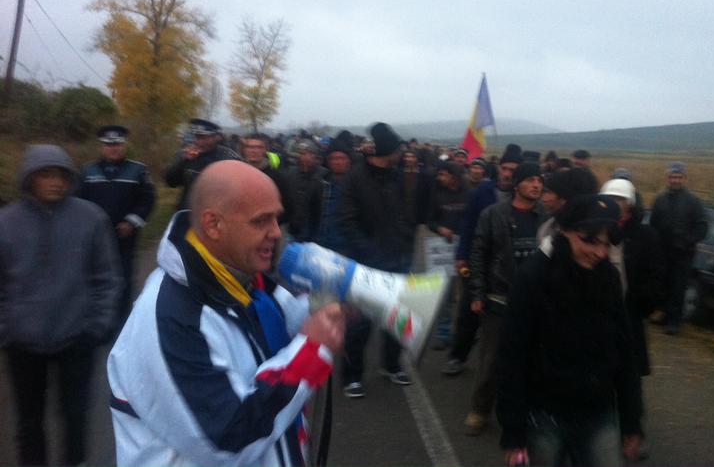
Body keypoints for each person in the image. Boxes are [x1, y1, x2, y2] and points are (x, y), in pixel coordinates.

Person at [107, 161, 345, 467]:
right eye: (261, 221)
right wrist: (310, 350)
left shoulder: (239, 277)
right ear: (213, 225)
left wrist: (327, 310)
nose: (276, 232)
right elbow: (230, 440)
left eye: (277, 218)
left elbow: (280, 320)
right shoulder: (169, 317)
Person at [496, 194, 642, 466]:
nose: (599, 253)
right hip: (544, 414)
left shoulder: (608, 278)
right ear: (564, 231)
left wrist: (631, 421)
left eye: (606, 244)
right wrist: (513, 432)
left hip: (599, 412)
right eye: (589, 240)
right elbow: (511, 355)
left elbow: (624, 350)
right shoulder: (533, 277)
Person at [1, 144, 122, 466]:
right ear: (30, 178)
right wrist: (6, 330)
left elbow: (108, 277)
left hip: (76, 337)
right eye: (45, 174)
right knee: (29, 422)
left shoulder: (91, 218)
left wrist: (97, 326)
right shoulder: (7, 223)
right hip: (22, 341)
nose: (54, 181)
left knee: (75, 416)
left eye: (60, 175)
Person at [464, 162, 545, 436]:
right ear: (518, 183)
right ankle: (480, 410)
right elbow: (478, 254)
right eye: (531, 179)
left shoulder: (547, 217)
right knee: (491, 361)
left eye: (540, 180)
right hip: (499, 298)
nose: (537, 184)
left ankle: (524, 412)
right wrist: (477, 293)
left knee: (532, 361)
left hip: (535, 301)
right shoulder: (493, 214)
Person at [338, 122, 415, 397]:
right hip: (365, 263)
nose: (402, 153)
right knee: (359, 323)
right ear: (387, 151)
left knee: (396, 319)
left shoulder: (397, 177)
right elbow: (347, 222)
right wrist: (370, 252)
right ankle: (352, 376)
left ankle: (391, 366)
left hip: (397, 260)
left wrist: (404, 240)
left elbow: (405, 213)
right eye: (398, 149)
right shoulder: (354, 179)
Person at [443, 143, 522, 376]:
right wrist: (462, 256)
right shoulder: (483, 192)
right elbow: (468, 225)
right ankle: (457, 356)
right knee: (470, 312)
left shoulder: (524, 195)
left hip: (509, 266)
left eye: (513, 169)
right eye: (505, 168)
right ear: (498, 167)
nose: (508, 173)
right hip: (479, 262)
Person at [601, 177, 666, 460]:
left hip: (629, 318)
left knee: (629, 380)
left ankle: (633, 432)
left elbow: (657, 276)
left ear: (630, 203)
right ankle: (598, 431)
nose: (615, 205)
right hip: (596, 317)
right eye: (610, 199)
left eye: (620, 200)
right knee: (597, 376)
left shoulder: (646, 236)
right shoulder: (595, 230)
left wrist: (643, 305)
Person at [79, 125, 156, 325]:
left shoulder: (138, 170)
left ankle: (122, 322)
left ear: (124, 145)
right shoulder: (88, 171)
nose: (114, 148)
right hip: (94, 238)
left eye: (118, 144)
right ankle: (96, 319)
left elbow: (148, 200)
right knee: (94, 277)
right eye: (109, 145)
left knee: (122, 278)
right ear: (102, 146)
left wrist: (132, 221)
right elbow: (78, 202)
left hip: (124, 236)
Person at [649, 161, 709, 334]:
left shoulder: (693, 201)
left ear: (684, 178)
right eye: (672, 177)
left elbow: (702, 227)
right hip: (663, 250)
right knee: (664, 284)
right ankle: (665, 315)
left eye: (678, 177)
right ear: (667, 178)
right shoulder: (660, 199)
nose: (675, 180)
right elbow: (654, 223)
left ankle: (675, 322)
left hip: (683, 252)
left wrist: (688, 241)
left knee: (678, 286)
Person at [427, 161, 470, 350]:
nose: (439, 178)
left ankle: (463, 333)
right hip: (443, 250)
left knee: (465, 290)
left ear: (454, 176)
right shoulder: (437, 195)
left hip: (465, 250)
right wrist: (440, 228)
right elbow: (430, 220)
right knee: (444, 292)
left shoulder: (469, 195)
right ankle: (443, 332)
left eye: (443, 174)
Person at [165, 118, 241, 209]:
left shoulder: (229, 158)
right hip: (188, 211)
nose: (198, 142)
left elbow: (237, 190)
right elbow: (171, 182)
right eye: (196, 137)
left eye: (203, 138)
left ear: (215, 138)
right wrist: (183, 161)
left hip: (217, 211)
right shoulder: (185, 153)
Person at [239, 133, 294, 226]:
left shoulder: (277, 177)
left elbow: (288, 206)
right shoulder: (235, 173)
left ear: (265, 150)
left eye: (259, 147)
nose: (254, 151)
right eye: (250, 147)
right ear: (244, 150)